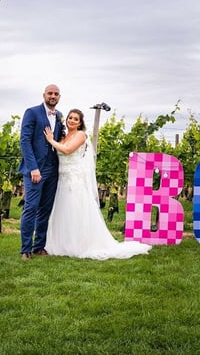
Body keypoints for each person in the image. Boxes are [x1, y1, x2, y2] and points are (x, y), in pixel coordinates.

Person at [43, 108, 151, 260]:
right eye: (70, 118)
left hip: (74, 180)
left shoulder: (81, 135)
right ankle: (63, 244)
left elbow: (67, 150)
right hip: (62, 179)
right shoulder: (64, 136)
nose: (72, 120)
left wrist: (50, 140)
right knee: (64, 212)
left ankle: (80, 245)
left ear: (80, 123)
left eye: (76, 119)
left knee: (75, 212)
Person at [18, 84, 64, 260]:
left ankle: (39, 246)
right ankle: (25, 249)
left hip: (53, 169)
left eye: (56, 94)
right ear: (44, 95)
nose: (53, 96)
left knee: (45, 210)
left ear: (59, 97)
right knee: (31, 208)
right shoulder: (32, 112)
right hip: (35, 170)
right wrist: (33, 168)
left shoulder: (59, 116)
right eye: (50, 93)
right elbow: (25, 141)